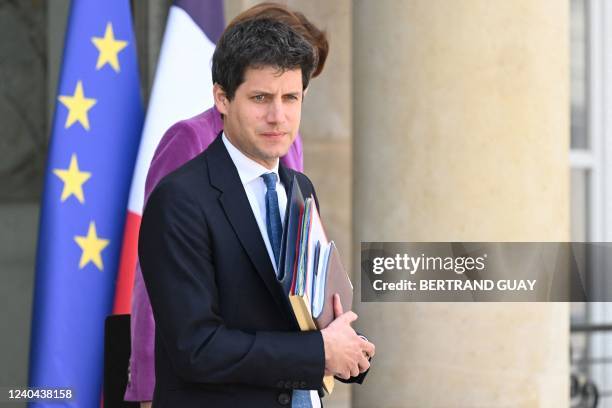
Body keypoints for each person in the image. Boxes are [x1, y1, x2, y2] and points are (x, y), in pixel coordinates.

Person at [139, 17, 375, 408]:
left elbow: (307, 310)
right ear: (222, 98)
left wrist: (350, 345)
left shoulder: (300, 187)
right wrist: (319, 352)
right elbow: (197, 348)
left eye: (290, 98)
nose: (278, 117)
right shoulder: (178, 200)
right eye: (260, 98)